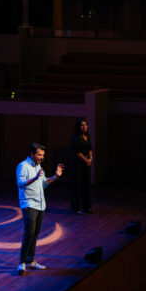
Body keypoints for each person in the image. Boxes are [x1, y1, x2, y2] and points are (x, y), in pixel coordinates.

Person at [16, 143, 63, 275]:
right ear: (32, 154)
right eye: (39, 155)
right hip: (29, 204)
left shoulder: (39, 167)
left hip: (40, 205)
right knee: (29, 233)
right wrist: (35, 178)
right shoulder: (23, 166)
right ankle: (22, 263)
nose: (42, 157)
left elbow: (43, 184)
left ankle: (31, 260)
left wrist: (56, 176)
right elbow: (20, 184)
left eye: (43, 155)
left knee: (35, 234)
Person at [71, 118, 94, 215]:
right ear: (78, 127)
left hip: (86, 164)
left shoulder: (88, 137)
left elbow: (90, 149)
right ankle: (76, 208)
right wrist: (86, 160)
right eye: (82, 125)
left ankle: (87, 207)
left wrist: (91, 159)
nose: (84, 127)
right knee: (78, 185)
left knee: (87, 185)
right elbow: (77, 152)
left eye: (85, 125)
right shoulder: (76, 138)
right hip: (78, 164)